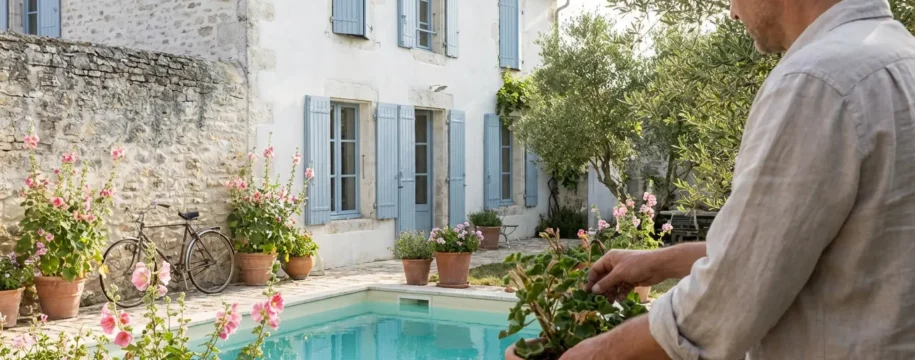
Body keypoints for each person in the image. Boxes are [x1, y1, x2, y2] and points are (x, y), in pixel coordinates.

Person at [559, 0, 915, 359]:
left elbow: (723, 305)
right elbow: (806, 251)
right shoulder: (899, 56)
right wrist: (662, 262)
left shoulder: (816, 81)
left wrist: (593, 352)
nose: (731, 11)